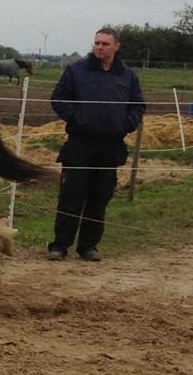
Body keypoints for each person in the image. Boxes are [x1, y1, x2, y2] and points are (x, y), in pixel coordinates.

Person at [47, 27, 145, 262]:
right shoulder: (76, 71)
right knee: (71, 197)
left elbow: (138, 107)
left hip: (110, 147)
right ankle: (59, 246)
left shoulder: (127, 76)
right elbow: (58, 99)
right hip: (80, 145)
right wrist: (77, 118)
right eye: (97, 43)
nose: (99, 47)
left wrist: (125, 124)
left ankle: (88, 246)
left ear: (116, 46)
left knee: (99, 198)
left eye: (104, 44)